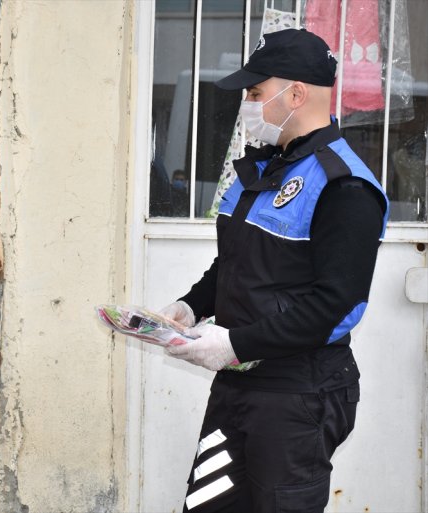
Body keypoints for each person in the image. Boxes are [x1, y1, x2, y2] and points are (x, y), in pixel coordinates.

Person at [161, 29, 389, 512]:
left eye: (255, 93)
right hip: (238, 381)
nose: (246, 104)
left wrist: (232, 344)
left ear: (297, 93)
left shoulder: (344, 186)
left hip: (298, 394)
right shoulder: (264, 171)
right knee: (207, 504)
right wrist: (190, 306)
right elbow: (235, 263)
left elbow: (335, 307)